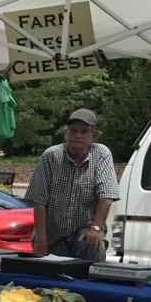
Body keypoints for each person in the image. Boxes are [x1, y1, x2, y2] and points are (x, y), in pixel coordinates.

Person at [24, 108, 118, 259]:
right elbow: (39, 200)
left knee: (93, 246)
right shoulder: (51, 156)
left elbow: (106, 197)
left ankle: (90, 281)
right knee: (45, 274)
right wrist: (41, 237)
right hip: (52, 232)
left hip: (85, 230)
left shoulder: (102, 154)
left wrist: (95, 228)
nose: (77, 135)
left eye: (84, 131)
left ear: (93, 136)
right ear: (66, 133)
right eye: (73, 131)